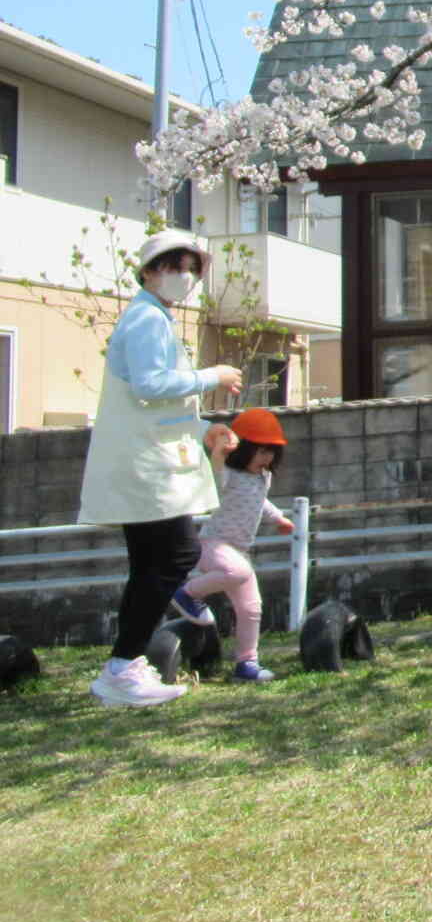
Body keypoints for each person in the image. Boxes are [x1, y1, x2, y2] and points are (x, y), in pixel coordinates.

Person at [77, 228, 243, 708]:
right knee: (175, 554)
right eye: (173, 266)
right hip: (149, 469)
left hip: (146, 462)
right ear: (148, 271)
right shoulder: (148, 320)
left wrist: (201, 429)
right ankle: (123, 665)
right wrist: (214, 375)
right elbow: (152, 383)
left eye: (191, 269)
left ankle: (123, 666)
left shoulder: (148, 318)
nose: (184, 277)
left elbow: (148, 401)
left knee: (150, 563)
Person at [172, 407, 295, 684]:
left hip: (238, 551)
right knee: (238, 572)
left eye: (271, 452)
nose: (267, 458)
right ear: (243, 450)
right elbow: (213, 481)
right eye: (261, 451)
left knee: (252, 608)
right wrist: (217, 454)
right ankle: (186, 594)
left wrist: (279, 518)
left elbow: (258, 502)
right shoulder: (228, 472)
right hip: (212, 544)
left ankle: (246, 664)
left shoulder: (264, 477)